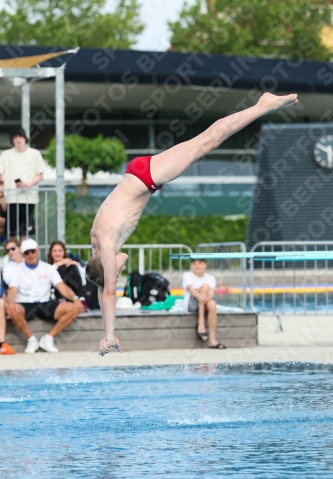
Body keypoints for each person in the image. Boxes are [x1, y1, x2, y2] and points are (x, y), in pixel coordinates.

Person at [85, 92, 299, 355]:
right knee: (204, 143)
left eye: (116, 273)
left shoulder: (106, 249)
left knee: (207, 142)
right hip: (138, 176)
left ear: (107, 268)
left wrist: (109, 335)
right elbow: (101, 289)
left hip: (146, 177)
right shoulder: (96, 244)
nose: (121, 270)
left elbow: (107, 294)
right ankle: (261, 107)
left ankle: (262, 106)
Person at [6, 238, 83, 353]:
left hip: (45, 303)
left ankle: (48, 338)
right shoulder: (16, 270)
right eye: (27, 252)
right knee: (12, 310)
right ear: (22, 254)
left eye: (32, 251)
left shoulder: (48, 268)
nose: (30, 254)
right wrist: (10, 302)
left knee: (74, 308)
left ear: (38, 251)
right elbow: (12, 290)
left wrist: (76, 298)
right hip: (25, 303)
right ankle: (31, 339)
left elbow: (62, 287)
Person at [0, 126, 45, 238]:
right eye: (15, 137)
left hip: (29, 198)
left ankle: (25, 254)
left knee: (25, 231)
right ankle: (13, 254)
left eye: (20, 136)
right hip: (11, 198)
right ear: (12, 140)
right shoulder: (6, 154)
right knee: (12, 231)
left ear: (25, 138)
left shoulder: (35, 154)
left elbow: (40, 175)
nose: (18, 139)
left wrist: (27, 184)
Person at [183, 259, 224, 349]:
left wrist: (205, 297)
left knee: (212, 303)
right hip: (192, 303)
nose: (197, 266)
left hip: (205, 303)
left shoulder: (210, 277)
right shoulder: (187, 275)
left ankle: (212, 340)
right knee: (205, 287)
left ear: (205, 265)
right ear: (191, 266)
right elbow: (192, 291)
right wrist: (202, 295)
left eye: (200, 263)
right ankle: (201, 323)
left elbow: (211, 292)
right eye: (194, 263)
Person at [47, 241, 89, 311]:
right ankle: (62, 300)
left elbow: (83, 282)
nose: (57, 253)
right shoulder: (47, 266)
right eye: (54, 251)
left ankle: (81, 300)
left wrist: (76, 265)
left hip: (73, 294)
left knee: (72, 267)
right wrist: (57, 265)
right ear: (51, 253)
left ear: (64, 252)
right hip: (56, 293)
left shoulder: (71, 265)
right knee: (61, 268)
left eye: (60, 250)